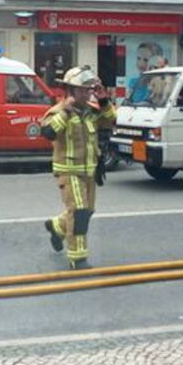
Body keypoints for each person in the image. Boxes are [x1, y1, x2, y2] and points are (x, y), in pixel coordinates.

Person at [41, 66, 117, 270]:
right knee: (80, 212)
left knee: (88, 210)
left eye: (89, 89)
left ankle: (57, 227)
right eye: (83, 89)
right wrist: (66, 110)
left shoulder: (92, 112)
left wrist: (103, 100)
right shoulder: (57, 111)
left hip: (89, 171)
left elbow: (112, 121)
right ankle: (77, 257)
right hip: (69, 171)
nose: (88, 93)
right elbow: (48, 132)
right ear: (70, 90)